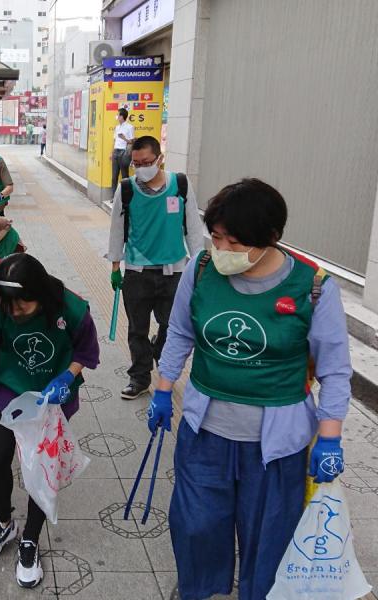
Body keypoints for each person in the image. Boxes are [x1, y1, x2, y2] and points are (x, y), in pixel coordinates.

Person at [151, 178, 351, 600]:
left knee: (270, 538)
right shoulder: (202, 269)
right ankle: (201, 591)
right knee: (195, 526)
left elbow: (334, 370)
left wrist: (329, 440)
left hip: (276, 447)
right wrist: (163, 389)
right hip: (205, 435)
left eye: (231, 241)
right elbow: (180, 332)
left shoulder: (312, 287)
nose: (219, 248)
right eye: (216, 237)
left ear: (268, 239)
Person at [0, 253, 100, 589]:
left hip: (51, 401)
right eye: (9, 304)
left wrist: (67, 376)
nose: (15, 312)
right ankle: (3, 523)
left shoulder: (71, 311)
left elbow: (85, 352)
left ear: (41, 296)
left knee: (40, 471)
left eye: (23, 305)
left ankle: (30, 538)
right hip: (10, 395)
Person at [107, 135, 204, 399]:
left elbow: (193, 228)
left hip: (175, 271)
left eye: (146, 162)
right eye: (135, 164)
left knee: (171, 325)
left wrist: (200, 265)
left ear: (160, 159)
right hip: (137, 272)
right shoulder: (126, 188)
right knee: (137, 328)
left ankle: (159, 351)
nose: (140, 169)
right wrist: (116, 266)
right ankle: (139, 378)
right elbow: (117, 229)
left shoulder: (180, 184)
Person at [110, 108, 135, 195]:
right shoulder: (117, 127)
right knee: (114, 177)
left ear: (122, 116)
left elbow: (132, 142)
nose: (117, 117)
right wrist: (111, 153)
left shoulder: (130, 127)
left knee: (125, 177)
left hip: (124, 153)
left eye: (118, 115)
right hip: (116, 152)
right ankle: (114, 197)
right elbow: (114, 140)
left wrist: (124, 138)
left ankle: (125, 197)